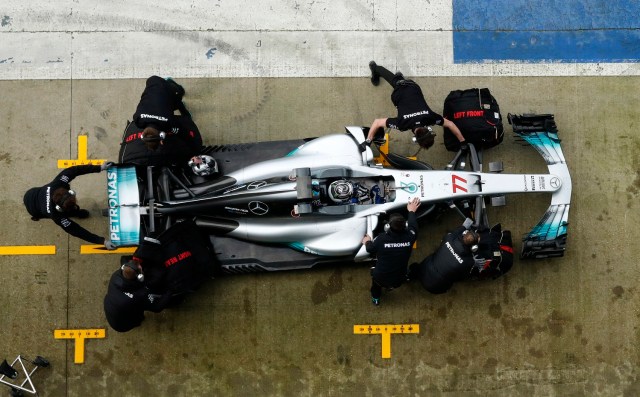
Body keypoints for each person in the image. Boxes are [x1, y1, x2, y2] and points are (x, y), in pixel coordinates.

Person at [361, 61, 466, 152]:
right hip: (399, 90)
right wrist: (368, 142)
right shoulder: (402, 124)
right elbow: (377, 123)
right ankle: (374, 67)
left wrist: (462, 141)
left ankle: (399, 77)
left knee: (400, 83)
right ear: (415, 138)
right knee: (395, 82)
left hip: (413, 87)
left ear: (429, 129)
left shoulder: (431, 118)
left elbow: (450, 124)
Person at [23, 163, 116, 249]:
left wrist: (99, 167)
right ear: (60, 209)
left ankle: (77, 213)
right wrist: (102, 241)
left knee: (75, 211)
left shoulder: (59, 183)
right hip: (34, 209)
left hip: (31, 193)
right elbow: (76, 230)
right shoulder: (56, 216)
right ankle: (76, 213)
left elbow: (74, 170)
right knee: (71, 213)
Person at [119, 76, 203, 168]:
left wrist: (196, 153)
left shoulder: (169, 123)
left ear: (162, 136)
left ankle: (173, 86)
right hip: (151, 82)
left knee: (177, 101)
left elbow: (186, 135)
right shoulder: (138, 119)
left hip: (165, 89)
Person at [362, 197, 421, 305]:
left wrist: (366, 241)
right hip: (399, 279)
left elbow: (370, 249)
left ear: (389, 226)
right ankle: (391, 287)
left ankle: (376, 299)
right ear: (404, 226)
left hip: (380, 277)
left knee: (376, 287)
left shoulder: (381, 239)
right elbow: (414, 226)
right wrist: (411, 211)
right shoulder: (411, 236)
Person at [407, 222, 480, 294]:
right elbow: (462, 277)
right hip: (433, 287)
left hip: (423, 269)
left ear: (464, 234)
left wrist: (463, 227)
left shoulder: (449, 238)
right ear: (474, 247)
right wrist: (474, 263)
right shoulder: (468, 262)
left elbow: (455, 232)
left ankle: (410, 275)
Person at [103, 258, 173, 332]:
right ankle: (137, 322)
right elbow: (157, 307)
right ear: (139, 277)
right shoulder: (140, 295)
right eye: (141, 268)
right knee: (138, 318)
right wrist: (170, 291)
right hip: (121, 325)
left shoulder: (115, 275)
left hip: (109, 309)